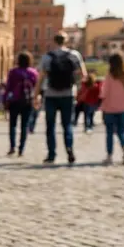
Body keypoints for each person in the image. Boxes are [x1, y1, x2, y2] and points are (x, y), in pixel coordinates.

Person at [34, 32, 86, 164]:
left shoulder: (47, 57)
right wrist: (77, 86)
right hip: (68, 94)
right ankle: (69, 149)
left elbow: (41, 78)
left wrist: (36, 95)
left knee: (50, 126)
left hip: (51, 94)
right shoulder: (74, 55)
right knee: (67, 124)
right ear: (66, 40)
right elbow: (83, 74)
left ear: (54, 41)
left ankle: (51, 154)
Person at [98, 51, 124, 166]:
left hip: (109, 108)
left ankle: (109, 156)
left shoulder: (110, 76)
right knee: (122, 132)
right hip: (123, 108)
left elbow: (104, 93)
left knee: (109, 133)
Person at [4, 52, 38, 157]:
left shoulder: (13, 72)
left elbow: (8, 86)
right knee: (25, 125)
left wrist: (5, 99)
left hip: (15, 100)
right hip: (27, 101)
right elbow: (36, 87)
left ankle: (12, 147)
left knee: (12, 124)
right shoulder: (33, 72)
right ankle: (21, 149)